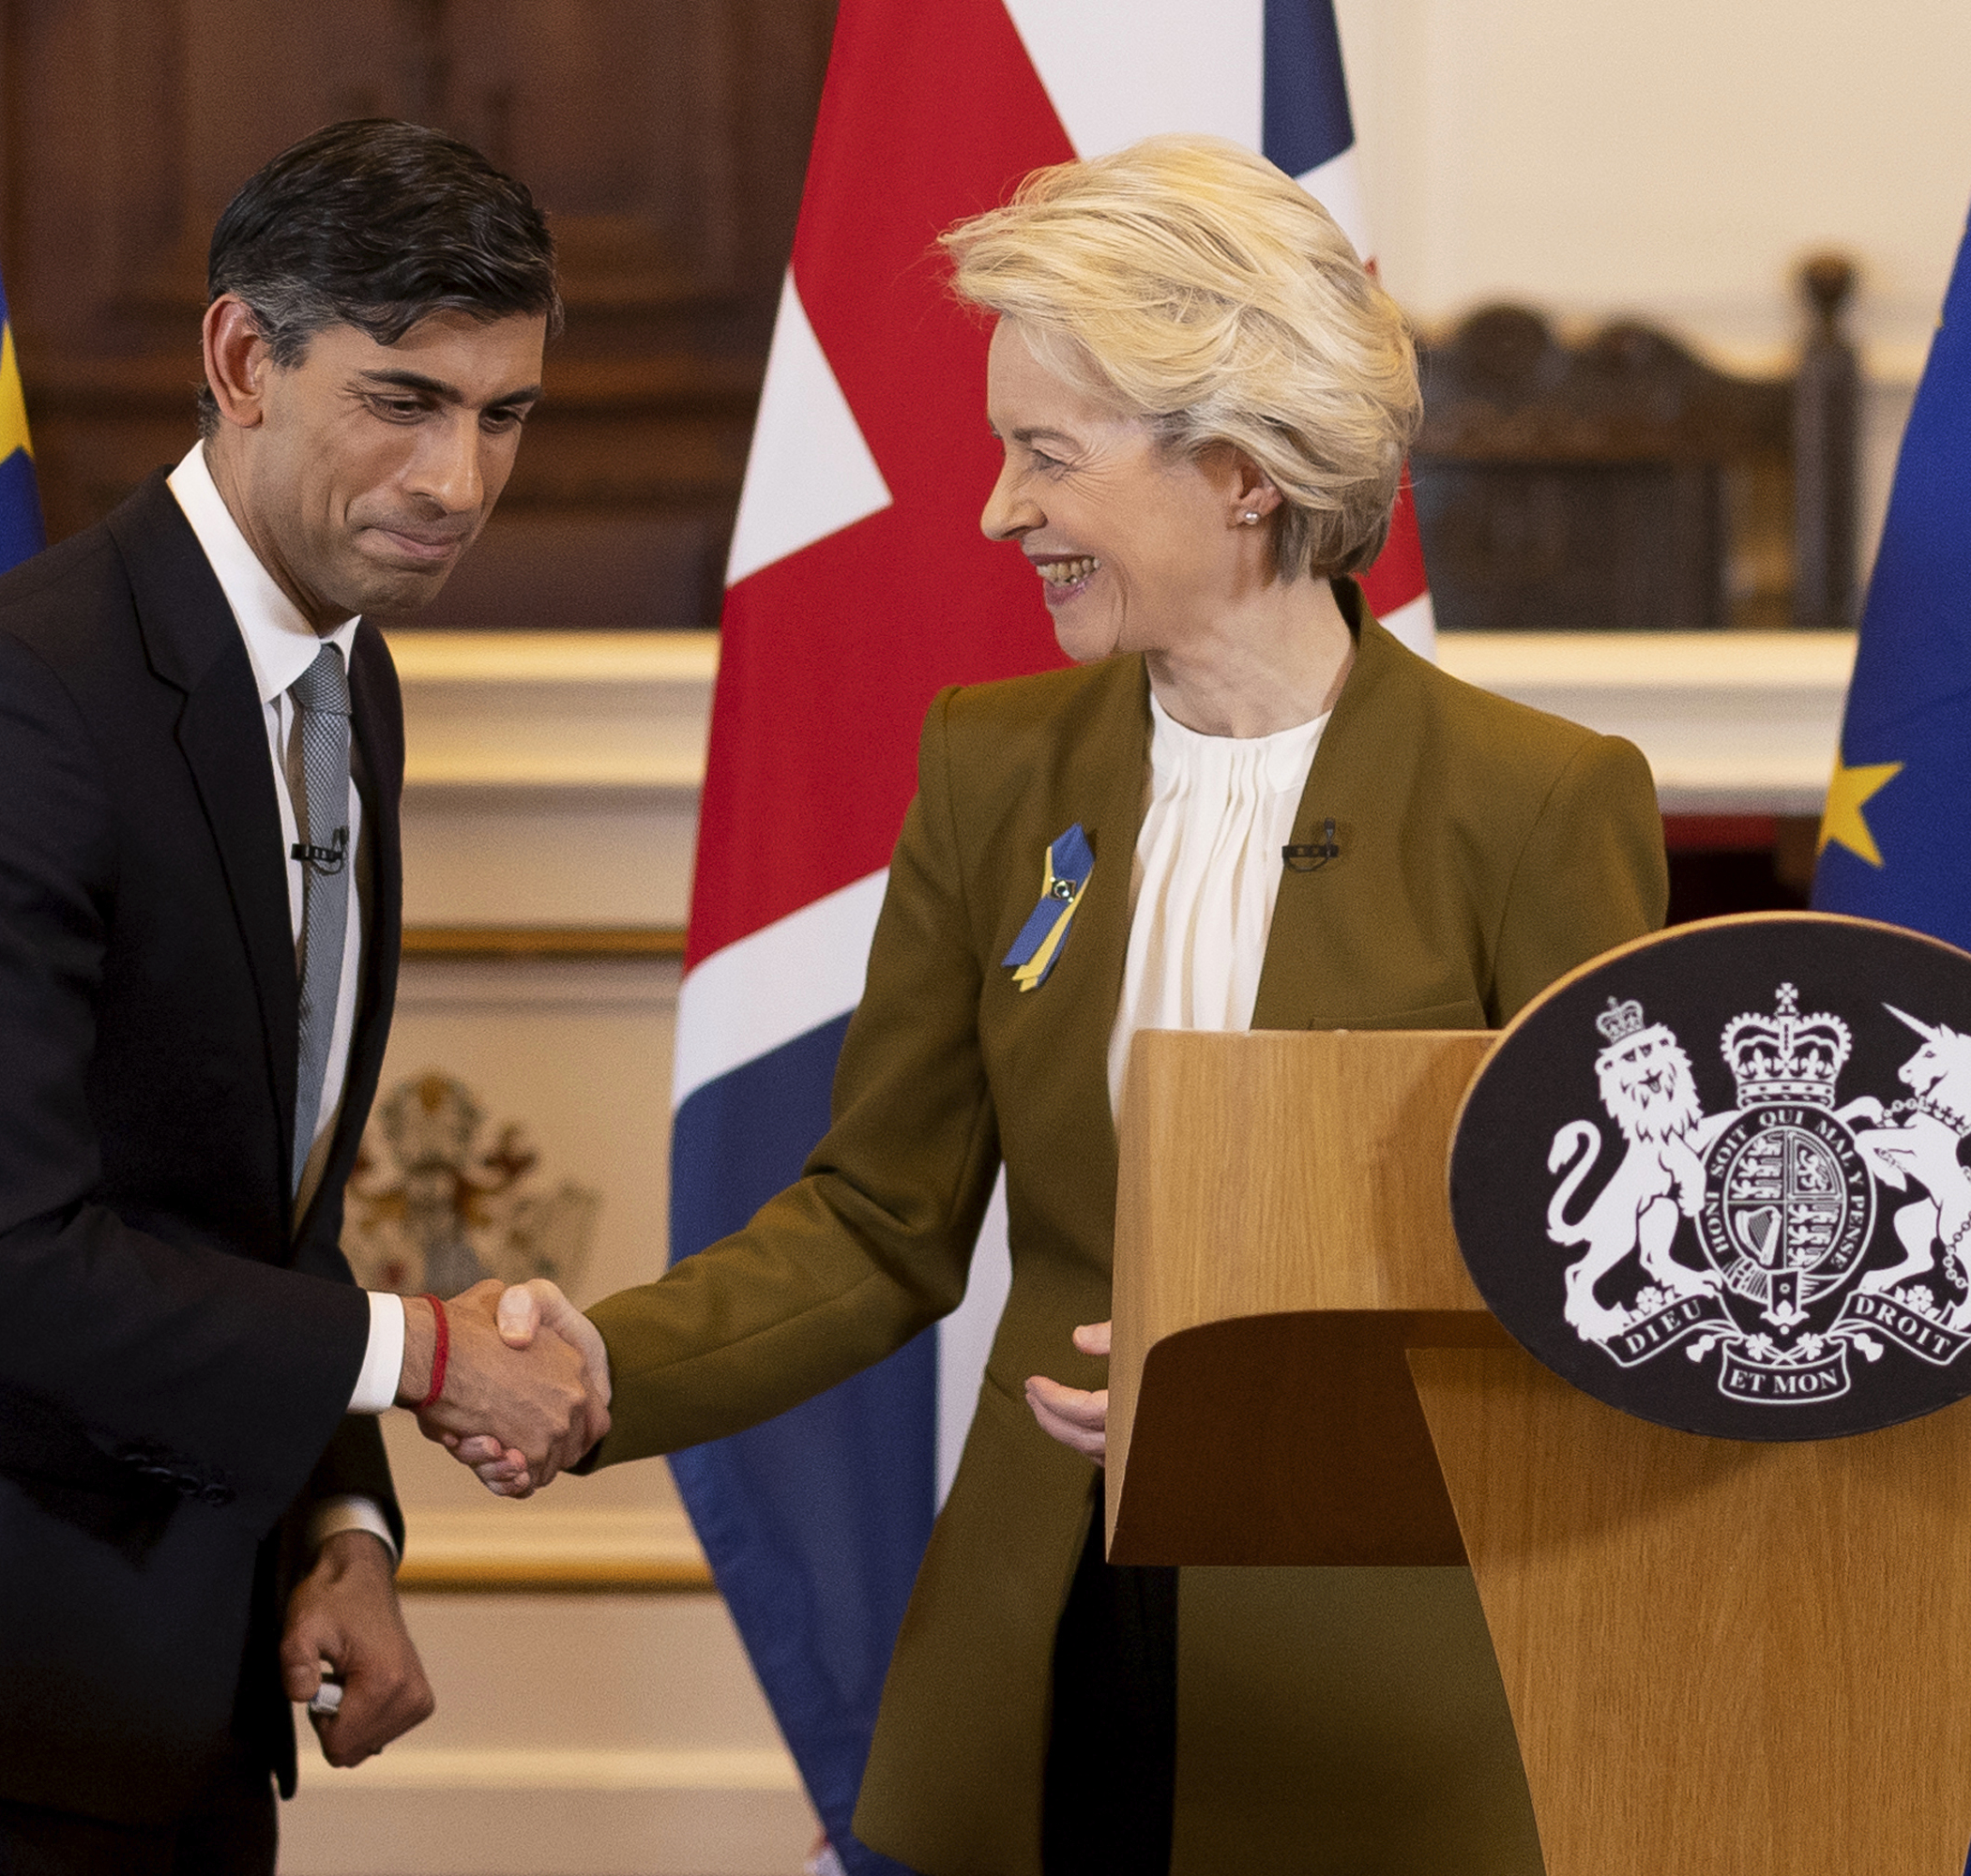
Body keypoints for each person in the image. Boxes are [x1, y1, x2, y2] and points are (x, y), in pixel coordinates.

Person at [470, 135, 1667, 1873]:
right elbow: (879, 1222)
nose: (996, 510)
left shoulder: (1537, 802)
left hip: (1384, 1685)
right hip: (1052, 1647)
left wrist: (1297, 1415)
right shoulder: (994, 766)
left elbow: (1596, 1294)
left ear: (1242, 470)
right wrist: (606, 1370)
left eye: (1046, 455)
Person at [0, 119, 608, 1875]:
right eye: (402, 400)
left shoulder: (351, 677)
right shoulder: (10, 705)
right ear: (242, 359)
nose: (459, 481)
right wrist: (426, 1360)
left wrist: (343, 1523)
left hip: (190, 1638)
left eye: (503, 416)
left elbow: (262, 1199)